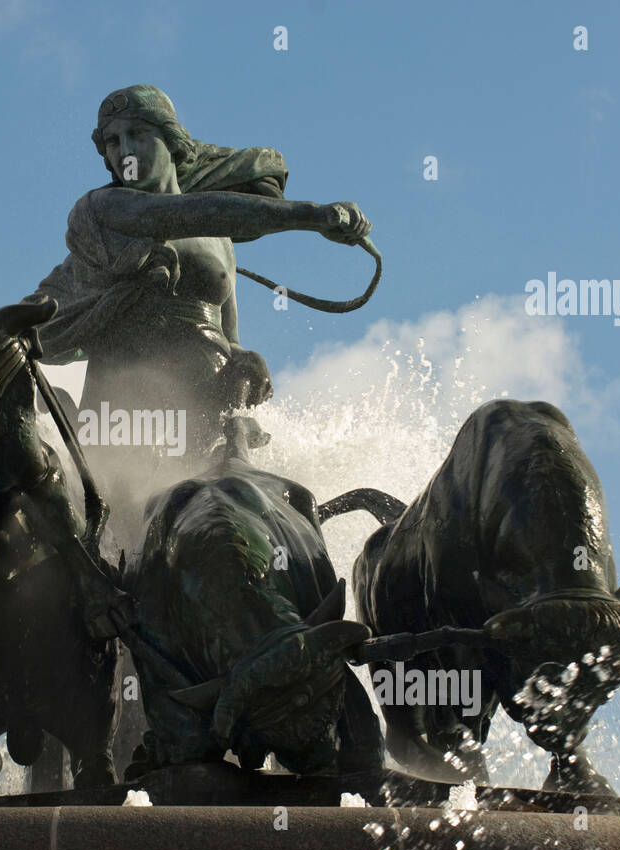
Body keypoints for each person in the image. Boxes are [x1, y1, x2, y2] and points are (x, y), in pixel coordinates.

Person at [34, 85, 372, 528]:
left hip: (210, 404)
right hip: (126, 410)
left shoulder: (220, 240)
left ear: (172, 142)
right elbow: (192, 212)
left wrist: (245, 360)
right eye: (113, 142)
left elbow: (230, 337)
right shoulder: (102, 210)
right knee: (118, 529)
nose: (124, 152)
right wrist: (309, 216)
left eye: (137, 134)